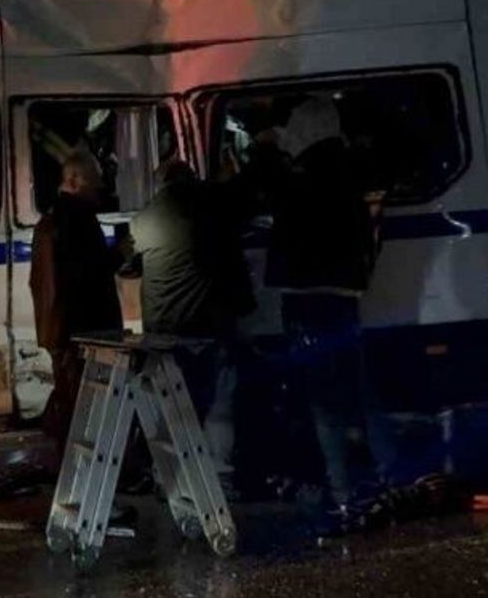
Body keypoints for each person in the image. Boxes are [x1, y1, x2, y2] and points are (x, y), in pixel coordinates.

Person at [262, 95, 391, 515]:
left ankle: (340, 489)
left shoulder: (302, 174)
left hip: (308, 298)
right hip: (345, 296)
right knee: (359, 389)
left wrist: (267, 152)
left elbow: (271, 203)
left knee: (322, 399)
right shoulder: (353, 168)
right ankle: (390, 475)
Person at [122, 160, 254, 482]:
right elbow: (233, 260)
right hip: (208, 324)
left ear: (160, 185)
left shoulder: (142, 220)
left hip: (163, 329)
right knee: (219, 399)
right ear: (192, 179)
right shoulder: (213, 211)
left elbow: (128, 267)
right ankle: (219, 468)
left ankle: (166, 472)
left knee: (171, 401)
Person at [30, 152, 125, 458]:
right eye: (93, 180)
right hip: (82, 329)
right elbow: (88, 274)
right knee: (84, 405)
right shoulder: (78, 219)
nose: (99, 187)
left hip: (58, 328)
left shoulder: (51, 219)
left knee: (69, 397)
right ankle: (79, 468)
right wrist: (120, 254)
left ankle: (67, 464)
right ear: (73, 180)